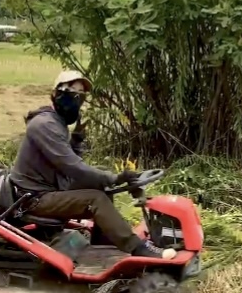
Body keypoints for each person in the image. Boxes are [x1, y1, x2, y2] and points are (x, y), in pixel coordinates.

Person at [10, 70, 177, 260]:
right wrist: (114, 178)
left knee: (100, 185)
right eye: (73, 95)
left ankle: (103, 244)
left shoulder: (56, 122)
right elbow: (72, 167)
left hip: (49, 187)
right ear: (57, 94)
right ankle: (137, 248)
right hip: (33, 199)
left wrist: (76, 142)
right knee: (95, 198)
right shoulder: (44, 125)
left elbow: (63, 159)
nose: (77, 102)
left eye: (80, 97)